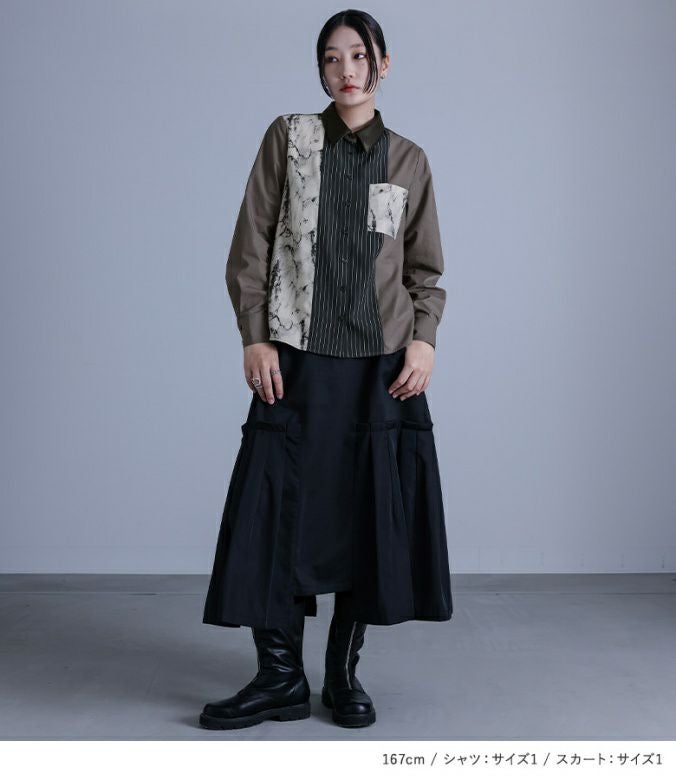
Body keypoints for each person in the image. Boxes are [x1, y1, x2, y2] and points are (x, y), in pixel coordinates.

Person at [199, 8, 453, 731]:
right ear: (320, 69)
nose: (346, 70)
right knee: (275, 510)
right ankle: (280, 677)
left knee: (363, 515)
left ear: (383, 64)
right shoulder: (289, 139)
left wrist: (424, 341)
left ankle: (341, 675)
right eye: (332, 58)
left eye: (359, 56)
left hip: (380, 368)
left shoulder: (408, 160)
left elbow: (425, 273)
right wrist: (255, 337)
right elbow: (251, 246)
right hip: (295, 359)